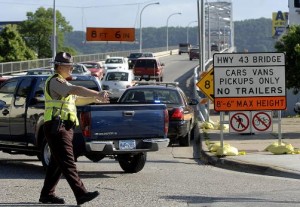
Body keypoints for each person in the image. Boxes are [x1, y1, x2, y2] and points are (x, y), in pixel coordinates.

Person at [39, 52, 110, 205]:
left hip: (64, 127)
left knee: (57, 162)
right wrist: (97, 93)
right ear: (59, 66)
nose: (71, 68)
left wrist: (94, 99)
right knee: (68, 162)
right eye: (68, 65)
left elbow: (76, 100)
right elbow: (75, 90)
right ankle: (81, 193)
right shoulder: (56, 81)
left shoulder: (63, 83)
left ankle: (47, 195)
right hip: (57, 127)